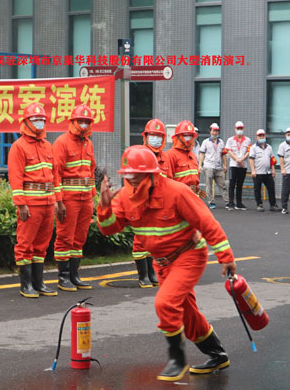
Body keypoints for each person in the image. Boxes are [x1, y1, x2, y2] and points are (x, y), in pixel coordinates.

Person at [97, 145, 236, 382]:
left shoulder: (176, 192)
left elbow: (207, 222)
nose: (132, 182)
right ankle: (217, 354)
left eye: (137, 177)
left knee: (166, 303)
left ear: (152, 175)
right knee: (186, 314)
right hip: (162, 263)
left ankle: (177, 358)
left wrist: (226, 257)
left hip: (188, 256)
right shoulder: (124, 198)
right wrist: (104, 206)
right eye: (129, 177)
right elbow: (109, 228)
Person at [7, 102, 59, 298]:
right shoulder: (18, 147)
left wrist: (54, 200)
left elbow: (54, 176)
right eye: (35, 119)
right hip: (30, 204)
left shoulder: (47, 146)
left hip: (47, 203)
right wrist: (20, 204)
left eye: (41, 120)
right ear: (26, 122)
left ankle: (39, 283)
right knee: (25, 244)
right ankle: (26, 285)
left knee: (41, 245)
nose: (39, 123)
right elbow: (16, 177)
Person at [53, 104, 97, 291]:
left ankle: (74, 275)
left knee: (79, 238)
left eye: (87, 121)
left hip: (85, 199)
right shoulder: (62, 142)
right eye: (81, 121)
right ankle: (63, 277)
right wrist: (59, 201)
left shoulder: (88, 143)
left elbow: (91, 171)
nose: (84, 125)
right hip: (69, 200)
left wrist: (93, 199)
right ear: (72, 121)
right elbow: (55, 173)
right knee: (65, 237)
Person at [131, 118, 170, 288]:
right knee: (141, 240)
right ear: (145, 136)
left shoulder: (164, 158)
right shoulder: (138, 154)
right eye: (153, 135)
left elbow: (170, 182)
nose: (156, 139)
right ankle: (143, 276)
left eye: (159, 136)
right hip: (142, 204)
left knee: (155, 240)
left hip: (160, 205)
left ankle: (152, 273)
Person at [166, 120, 202, 197]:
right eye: (186, 135)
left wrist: (201, 196)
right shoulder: (170, 155)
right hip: (179, 199)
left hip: (193, 198)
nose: (189, 138)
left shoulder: (193, 156)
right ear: (178, 137)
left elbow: (195, 181)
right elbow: (167, 182)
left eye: (191, 136)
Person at [199, 123, 229, 209]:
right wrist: (200, 165)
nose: (215, 132)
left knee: (222, 185)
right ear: (210, 131)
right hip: (208, 166)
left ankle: (227, 202)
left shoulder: (221, 142)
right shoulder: (205, 142)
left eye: (216, 131)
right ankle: (211, 202)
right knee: (209, 185)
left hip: (218, 167)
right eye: (213, 130)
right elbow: (202, 154)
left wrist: (225, 165)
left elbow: (223, 154)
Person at [225, 121, 251, 210]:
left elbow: (248, 151)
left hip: (243, 165)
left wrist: (242, 159)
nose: (239, 130)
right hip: (233, 165)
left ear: (243, 129)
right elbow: (229, 151)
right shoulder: (230, 140)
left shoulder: (248, 140)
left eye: (241, 128)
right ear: (235, 129)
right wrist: (237, 159)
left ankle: (239, 203)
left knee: (240, 184)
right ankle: (231, 203)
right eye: (238, 128)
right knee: (232, 184)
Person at [249, 129, 277, 212]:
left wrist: (273, 170)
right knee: (257, 189)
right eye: (260, 136)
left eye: (263, 136)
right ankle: (259, 204)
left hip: (267, 172)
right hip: (258, 172)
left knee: (271, 188)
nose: (261, 137)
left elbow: (272, 159)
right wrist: (253, 170)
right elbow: (251, 159)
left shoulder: (269, 147)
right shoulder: (253, 148)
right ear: (257, 137)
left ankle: (273, 205)